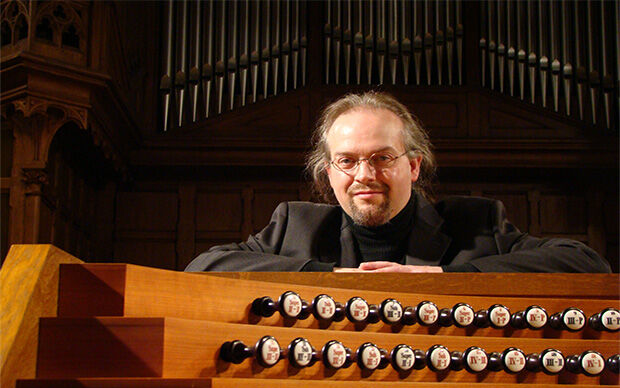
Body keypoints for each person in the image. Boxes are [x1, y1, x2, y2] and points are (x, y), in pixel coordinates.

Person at [185, 92, 610, 273]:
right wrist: (328, 277)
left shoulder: (478, 222)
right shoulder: (293, 226)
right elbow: (202, 267)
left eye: (382, 158)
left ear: (413, 167)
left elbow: (585, 262)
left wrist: (445, 277)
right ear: (328, 173)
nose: (364, 175)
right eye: (347, 161)